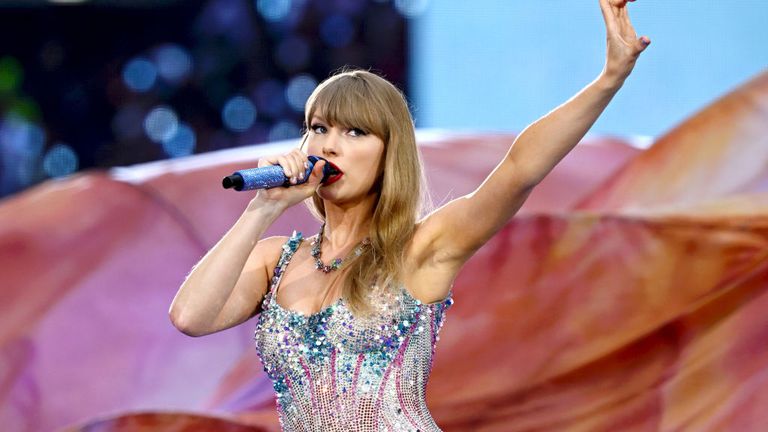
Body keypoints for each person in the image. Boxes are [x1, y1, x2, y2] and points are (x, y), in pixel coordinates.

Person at [168, 1, 650, 430]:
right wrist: (263, 207)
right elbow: (189, 316)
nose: (329, 144)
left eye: (355, 132)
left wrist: (610, 78)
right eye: (319, 128)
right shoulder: (276, 260)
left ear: (388, 153)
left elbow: (519, 170)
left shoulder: (421, 248)